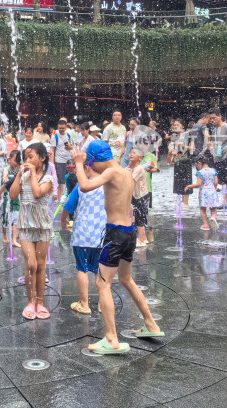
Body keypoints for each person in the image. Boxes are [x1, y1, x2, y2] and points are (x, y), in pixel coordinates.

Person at [71, 140, 164, 353]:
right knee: (126, 279)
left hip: (115, 234)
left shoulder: (111, 172)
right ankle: (150, 323)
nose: (91, 169)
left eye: (92, 164)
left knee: (102, 284)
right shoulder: (125, 172)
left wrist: (78, 163)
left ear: (96, 160)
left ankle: (111, 339)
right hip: (129, 232)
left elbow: (85, 187)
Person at [9, 142, 53, 321]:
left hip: (42, 226)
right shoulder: (23, 175)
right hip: (25, 225)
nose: (26, 160)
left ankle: (40, 303)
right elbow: (12, 195)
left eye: (30, 157)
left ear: (42, 158)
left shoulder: (48, 179)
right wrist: (20, 174)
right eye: (25, 157)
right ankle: (30, 301)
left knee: (41, 265)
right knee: (31, 264)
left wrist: (33, 174)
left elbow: (37, 193)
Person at [62, 160, 107, 315]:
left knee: (82, 268)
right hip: (102, 235)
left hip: (82, 235)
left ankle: (85, 304)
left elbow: (67, 207)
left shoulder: (81, 187)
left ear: (87, 168)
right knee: (100, 270)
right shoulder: (107, 185)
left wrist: (63, 222)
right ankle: (103, 304)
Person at [185, 154, 220, 231]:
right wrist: (214, 188)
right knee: (213, 208)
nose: (196, 166)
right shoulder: (213, 171)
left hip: (204, 192)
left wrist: (189, 186)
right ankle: (213, 217)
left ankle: (206, 225)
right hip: (212, 191)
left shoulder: (200, 172)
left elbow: (198, 184)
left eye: (196, 164)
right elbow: (216, 182)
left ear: (199, 163)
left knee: (203, 209)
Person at [50, 118, 78, 199]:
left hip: (68, 161)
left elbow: (73, 146)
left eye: (63, 128)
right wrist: (52, 163)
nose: (61, 130)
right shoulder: (54, 136)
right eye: (60, 128)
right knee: (60, 182)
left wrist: (70, 147)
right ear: (57, 127)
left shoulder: (68, 135)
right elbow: (52, 150)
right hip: (59, 161)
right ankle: (60, 201)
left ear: (66, 127)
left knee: (71, 179)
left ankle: (71, 198)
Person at [168, 119, 193, 207]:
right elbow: (170, 147)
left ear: (182, 126)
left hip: (185, 160)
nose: (175, 126)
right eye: (174, 125)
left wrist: (182, 147)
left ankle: (185, 202)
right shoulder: (174, 136)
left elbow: (192, 148)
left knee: (186, 181)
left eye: (177, 125)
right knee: (178, 181)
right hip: (177, 161)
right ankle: (180, 202)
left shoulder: (187, 135)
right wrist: (174, 152)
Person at [129, 149, 150, 247]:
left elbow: (130, 181)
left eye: (134, 153)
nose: (131, 154)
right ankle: (143, 238)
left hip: (141, 196)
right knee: (138, 217)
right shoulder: (134, 167)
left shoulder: (138, 169)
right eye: (130, 153)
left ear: (140, 158)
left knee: (140, 218)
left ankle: (142, 238)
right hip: (138, 196)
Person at [0, 150, 21, 247]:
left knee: (16, 217)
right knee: (5, 216)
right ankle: (4, 234)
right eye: (14, 160)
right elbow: (5, 177)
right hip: (6, 196)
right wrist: (5, 178)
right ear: (9, 159)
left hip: (16, 196)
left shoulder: (19, 170)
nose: (16, 162)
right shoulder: (6, 169)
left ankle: (14, 239)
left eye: (18, 160)